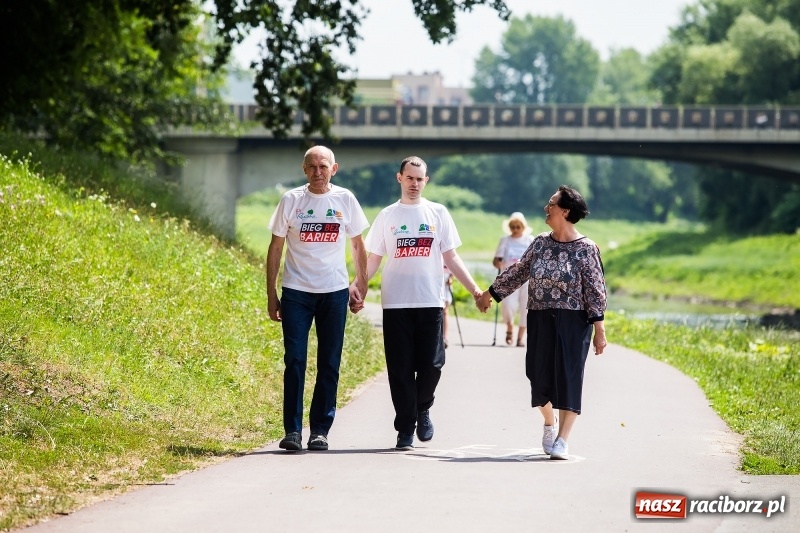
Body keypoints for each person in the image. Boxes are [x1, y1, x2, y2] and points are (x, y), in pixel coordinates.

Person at [350, 156, 486, 451]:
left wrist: (475, 290)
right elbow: (373, 258)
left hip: (430, 301)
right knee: (399, 369)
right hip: (396, 302)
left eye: (419, 179)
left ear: (426, 181)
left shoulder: (438, 213)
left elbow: (451, 256)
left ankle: (423, 407)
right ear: (399, 178)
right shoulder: (387, 216)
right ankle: (405, 428)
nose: (414, 184)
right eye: (409, 178)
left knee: (433, 365)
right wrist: (358, 286)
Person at [477, 185, 607, 460]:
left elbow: (595, 291)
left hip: (574, 321)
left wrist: (599, 330)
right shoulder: (539, 243)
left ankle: (563, 439)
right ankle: (549, 422)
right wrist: (490, 294)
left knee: (569, 377)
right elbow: (519, 272)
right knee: (537, 376)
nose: (546, 208)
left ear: (565, 211)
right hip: (539, 316)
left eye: (551, 204)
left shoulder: (587, 249)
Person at [266, 145, 369, 452]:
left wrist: (360, 284)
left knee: (329, 362)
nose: (317, 172)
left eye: (323, 166)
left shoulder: (345, 199)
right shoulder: (292, 200)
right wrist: (271, 293)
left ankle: (320, 430)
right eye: (311, 167)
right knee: (294, 360)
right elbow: (275, 248)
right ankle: (293, 431)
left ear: (334, 169)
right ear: (304, 169)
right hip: (296, 291)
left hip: (334, 291)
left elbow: (358, 246)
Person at [492, 212, 534, 347]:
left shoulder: (530, 240)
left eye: (518, 227)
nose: (515, 230)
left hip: (527, 280)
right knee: (508, 306)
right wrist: (498, 262)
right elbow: (496, 260)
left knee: (526, 308)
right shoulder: (505, 240)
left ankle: (520, 338)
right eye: (513, 227)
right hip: (509, 279)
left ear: (523, 227)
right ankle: (510, 328)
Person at [442, 264, 453, 349]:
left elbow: (453, 266)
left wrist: (451, 278)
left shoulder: (448, 251)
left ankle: (445, 337)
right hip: (435, 284)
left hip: (446, 286)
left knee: (445, 311)